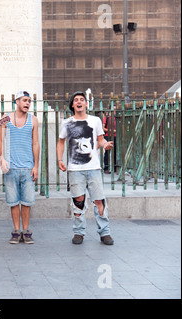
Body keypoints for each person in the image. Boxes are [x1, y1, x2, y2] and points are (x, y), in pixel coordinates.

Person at [56, 91, 114, 245]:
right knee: (78, 201)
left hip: (93, 168)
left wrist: (105, 145)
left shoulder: (95, 121)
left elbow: (100, 140)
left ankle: (105, 232)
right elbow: (61, 141)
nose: (79, 102)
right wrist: (59, 159)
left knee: (99, 200)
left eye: (82, 99)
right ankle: (79, 232)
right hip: (75, 169)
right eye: (76, 100)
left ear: (86, 104)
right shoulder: (66, 123)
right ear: (73, 105)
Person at [0, 90, 40, 244]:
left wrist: (36, 166)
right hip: (11, 167)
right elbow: (0, 140)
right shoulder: (6, 118)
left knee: (27, 202)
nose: (27, 103)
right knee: (13, 201)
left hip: (27, 167)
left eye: (29, 101)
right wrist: (1, 159)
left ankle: (26, 230)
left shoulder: (33, 120)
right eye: (24, 100)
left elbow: (35, 143)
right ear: (17, 101)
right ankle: (16, 230)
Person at [102, 105, 117, 174]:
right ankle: (106, 168)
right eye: (112, 109)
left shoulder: (116, 118)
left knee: (115, 152)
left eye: (114, 110)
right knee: (107, 153)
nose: (114, 111)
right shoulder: (106, 118)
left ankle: (115, 167)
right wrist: (111, 131)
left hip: (115, 136)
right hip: (108, 136)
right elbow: (103, 128)